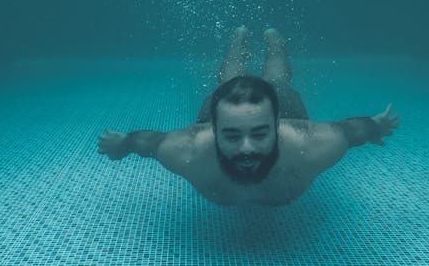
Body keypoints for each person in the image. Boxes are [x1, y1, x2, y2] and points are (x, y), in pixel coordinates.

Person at [97, 27, 399, 206]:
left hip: (281, 110)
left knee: (279, 85)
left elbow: (351, 131)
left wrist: (375, 127)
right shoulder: (186, 150)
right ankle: (237, 44)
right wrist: (123, 144)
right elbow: (149, 142)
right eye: (231, 135)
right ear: (213, 129)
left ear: (277, 125)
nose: (246, 148)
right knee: (226, 86)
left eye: (259, 134)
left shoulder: (312, 145)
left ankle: (277, 47)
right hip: (232, 117)